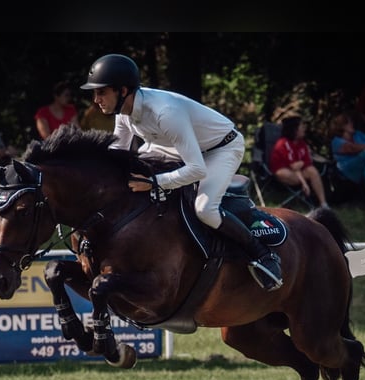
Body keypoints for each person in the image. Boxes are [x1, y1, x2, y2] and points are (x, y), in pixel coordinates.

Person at [79, 53, 282, 291]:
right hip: (171, 145)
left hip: (220, 148)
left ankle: (261, 254)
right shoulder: (124, 112)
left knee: (204, 209)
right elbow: (118, 152)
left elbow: (196, 169)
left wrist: (155, 183)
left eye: (101, 92)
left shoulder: (165, 112)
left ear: (122, 90)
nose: (96, 99)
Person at [269, 115, 329, 208]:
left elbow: (306, 162)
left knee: (312, 170)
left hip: (297, 172)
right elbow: (293, 166)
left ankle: (323, 204)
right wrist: (304, 183)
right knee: (283, 172)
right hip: (284, 173)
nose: (304, 129)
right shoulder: (283, 143)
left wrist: (301, 164)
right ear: (294, 129)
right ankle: (307, 193)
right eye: (301, 126)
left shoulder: (302, 144)